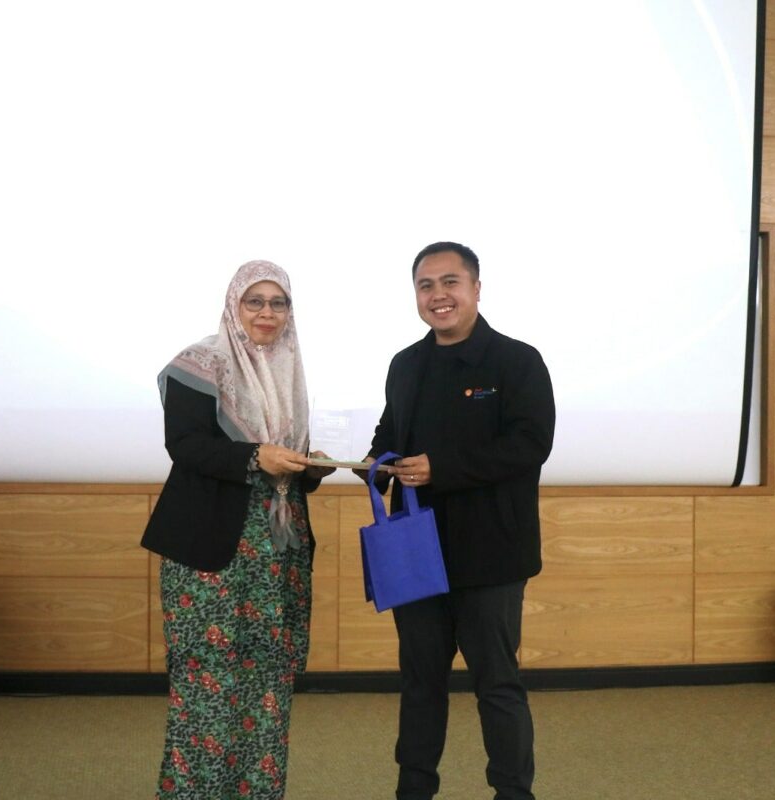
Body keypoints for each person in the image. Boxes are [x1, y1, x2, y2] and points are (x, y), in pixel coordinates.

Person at [360, 241, 555, 800]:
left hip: (491, 554)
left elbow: (530, 445)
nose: (438, 296)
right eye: (426, 286)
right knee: (420, 684)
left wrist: (439, 468)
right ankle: (414, 791)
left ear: (476, 289)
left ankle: (513, 793)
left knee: (497, 684)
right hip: (416, 552)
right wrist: (370, 464)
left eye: (450, 283)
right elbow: (389, 434)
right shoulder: (406, 364)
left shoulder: (517, 361)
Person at [141, 260, 333, 799]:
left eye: (279, 303)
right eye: (255, 301)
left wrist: (308, 467)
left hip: (277, 552)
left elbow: (283, 464)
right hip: (212, 551)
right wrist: (255, 456)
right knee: (207, 686)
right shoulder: (199, 364)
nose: (267, 313)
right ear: (234, 305)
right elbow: (186, 446)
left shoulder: (287, 372)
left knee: (267, 686)